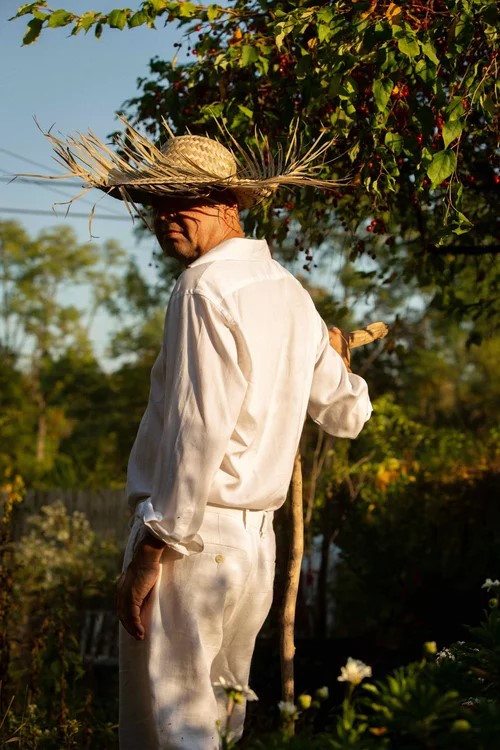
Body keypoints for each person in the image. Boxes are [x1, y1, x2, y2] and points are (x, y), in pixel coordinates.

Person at [36, 121, 372, 749]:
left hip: (192, 542)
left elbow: (198, 430)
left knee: (178, 730)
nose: (165, 217)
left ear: (227, 204)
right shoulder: (291, 294)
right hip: (253, 552)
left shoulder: (203, 287)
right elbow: (348, 413)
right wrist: (335, 356)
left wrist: (150, 551)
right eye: (156, 203)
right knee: (219, 721)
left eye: (181, 201)